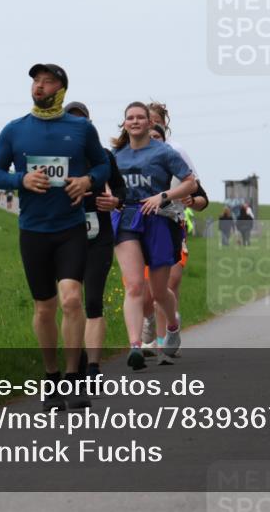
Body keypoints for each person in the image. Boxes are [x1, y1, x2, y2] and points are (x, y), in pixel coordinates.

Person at [0, 64, 110, 411]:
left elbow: (102, 167)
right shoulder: (14, 130)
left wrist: (87, 182)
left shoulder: (81, 128)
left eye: (47, 81)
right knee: (44, 309)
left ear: (61, 89)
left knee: (72, 300)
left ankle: (73, 378)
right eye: (35, 81)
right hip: (33, 231)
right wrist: (21, 180)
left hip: (71, 227)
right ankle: (52, 376)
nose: (39, 86)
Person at [111, 102, 197, 370]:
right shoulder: (116, 155)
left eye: (140, 118)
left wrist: (163, 196)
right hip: (126, 221)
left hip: (158, 220)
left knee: (160, 292)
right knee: (135, 286)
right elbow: (104, 182)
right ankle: (135, 346)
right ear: (124, 123)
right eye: (130, 118)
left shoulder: (164, 152)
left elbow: (190, 182)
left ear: (150, 123)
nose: (135, 121)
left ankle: (172, 324)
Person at [65, 101, 127, 380]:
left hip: (98, 237)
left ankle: (93, 367)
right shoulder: (55, 157)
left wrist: (114, 201)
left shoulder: (102, 156)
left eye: (82, 122)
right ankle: (74, 365)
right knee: (70, 302)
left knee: (92, 302)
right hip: (64, 238)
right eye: (71, 120)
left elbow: (120, 188)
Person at [145, 103, 209, 356]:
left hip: (172, 222)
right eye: (144, 120)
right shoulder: (129, 153)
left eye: (154, 121)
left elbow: (200, 193)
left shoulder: (175, 150)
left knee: (170, 282)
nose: (148, 125)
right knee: (144, 286)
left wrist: (193, 201)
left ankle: (165, 339)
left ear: (163, 125)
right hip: (140, 225)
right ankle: (152, 332)